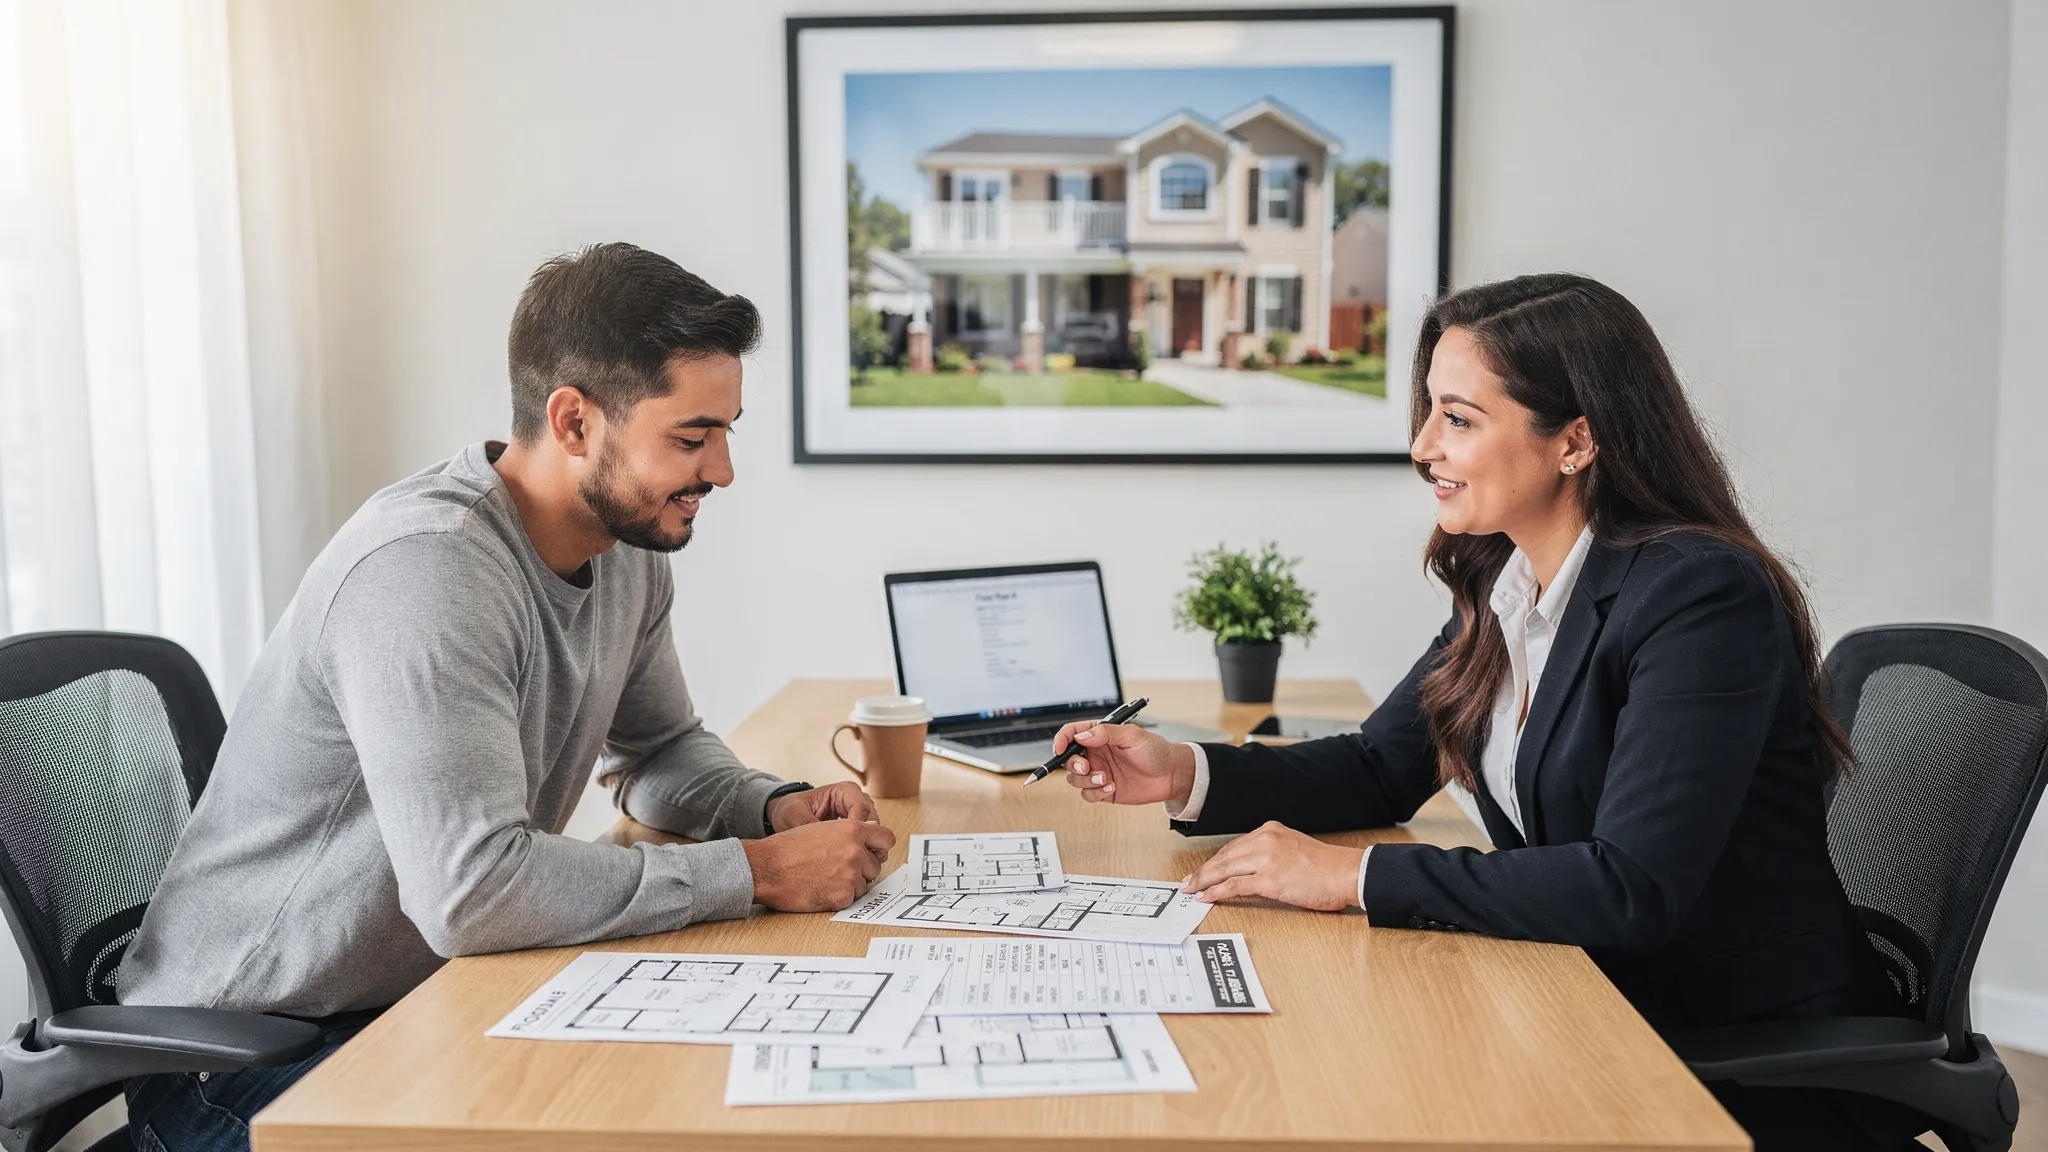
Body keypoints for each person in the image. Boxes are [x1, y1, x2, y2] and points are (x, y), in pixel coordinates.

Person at [1052, 273, 1932, 1151]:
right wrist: (1186, 770)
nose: (1423, 446)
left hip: (1723, 1050)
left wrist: (1351, 879)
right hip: (1576, 996)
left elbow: (1631, 887)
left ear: (1575, 441)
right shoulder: (1503, 577)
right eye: (1430, 412)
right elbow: (1379, 764)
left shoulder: (1699, 596)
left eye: (1459, 419)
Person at [117, 243, 896, 1152]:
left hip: (423, 1002)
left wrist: (768, 807)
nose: (721, 471)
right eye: (692, 436)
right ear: (574, 421)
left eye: (726, 431)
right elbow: (474, 891)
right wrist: (757, 874)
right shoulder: (429, 569)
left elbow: (659, 751)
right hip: (247, 1061)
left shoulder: (623, 554)